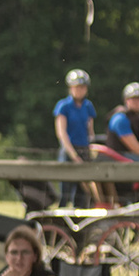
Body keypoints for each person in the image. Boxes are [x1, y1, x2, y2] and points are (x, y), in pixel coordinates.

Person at [52, 69, 97, 208]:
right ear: (70, 88)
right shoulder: (63, 106)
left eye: (82, 87)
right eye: (76, 87)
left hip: (84, 150)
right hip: (69, 151)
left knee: (83, 194)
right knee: (65, 192)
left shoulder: (88, 106)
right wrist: (73, 155)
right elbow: (61, 133)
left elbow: (90, 131)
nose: (80, 90)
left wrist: (92, 150)